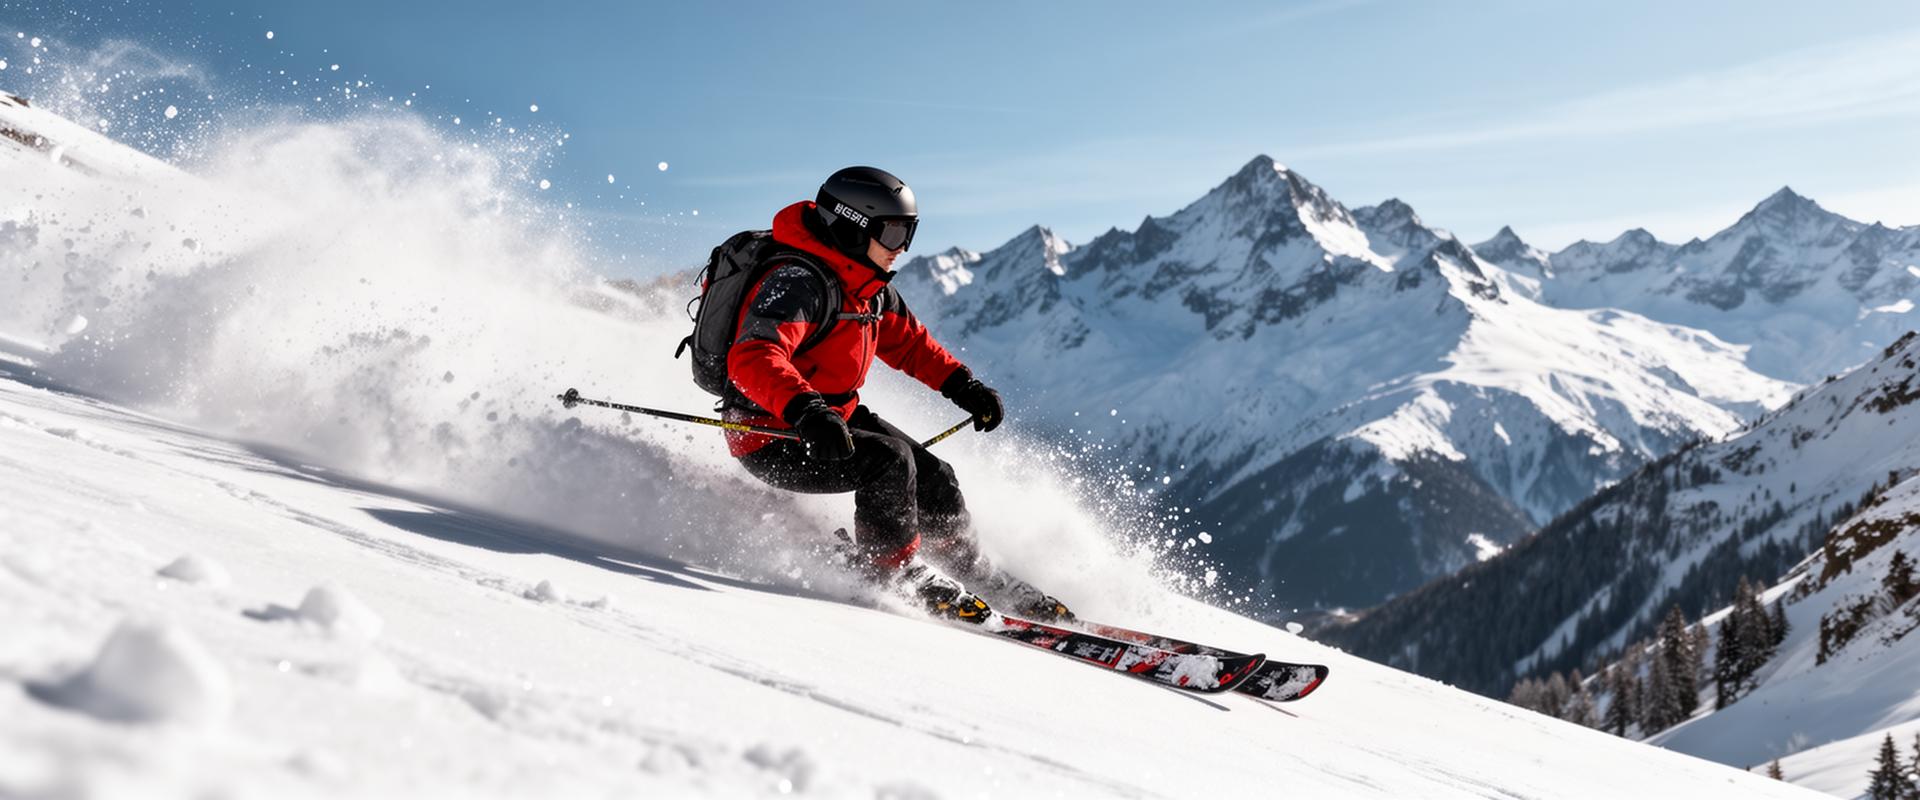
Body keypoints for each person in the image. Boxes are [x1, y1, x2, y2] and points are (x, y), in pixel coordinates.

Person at [720, 166, 1072, 624]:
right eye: (891, 233)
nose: (901, 248)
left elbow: (909, 345)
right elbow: (752, 356)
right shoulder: (798, 284)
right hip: (773, 434)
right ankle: (892, 571)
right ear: (850, 226)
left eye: (909, 233)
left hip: (831, 417)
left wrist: (964, 387)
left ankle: (971, 569)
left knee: (936, 478)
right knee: (887, 463)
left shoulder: (867, 289)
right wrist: (805, 411)